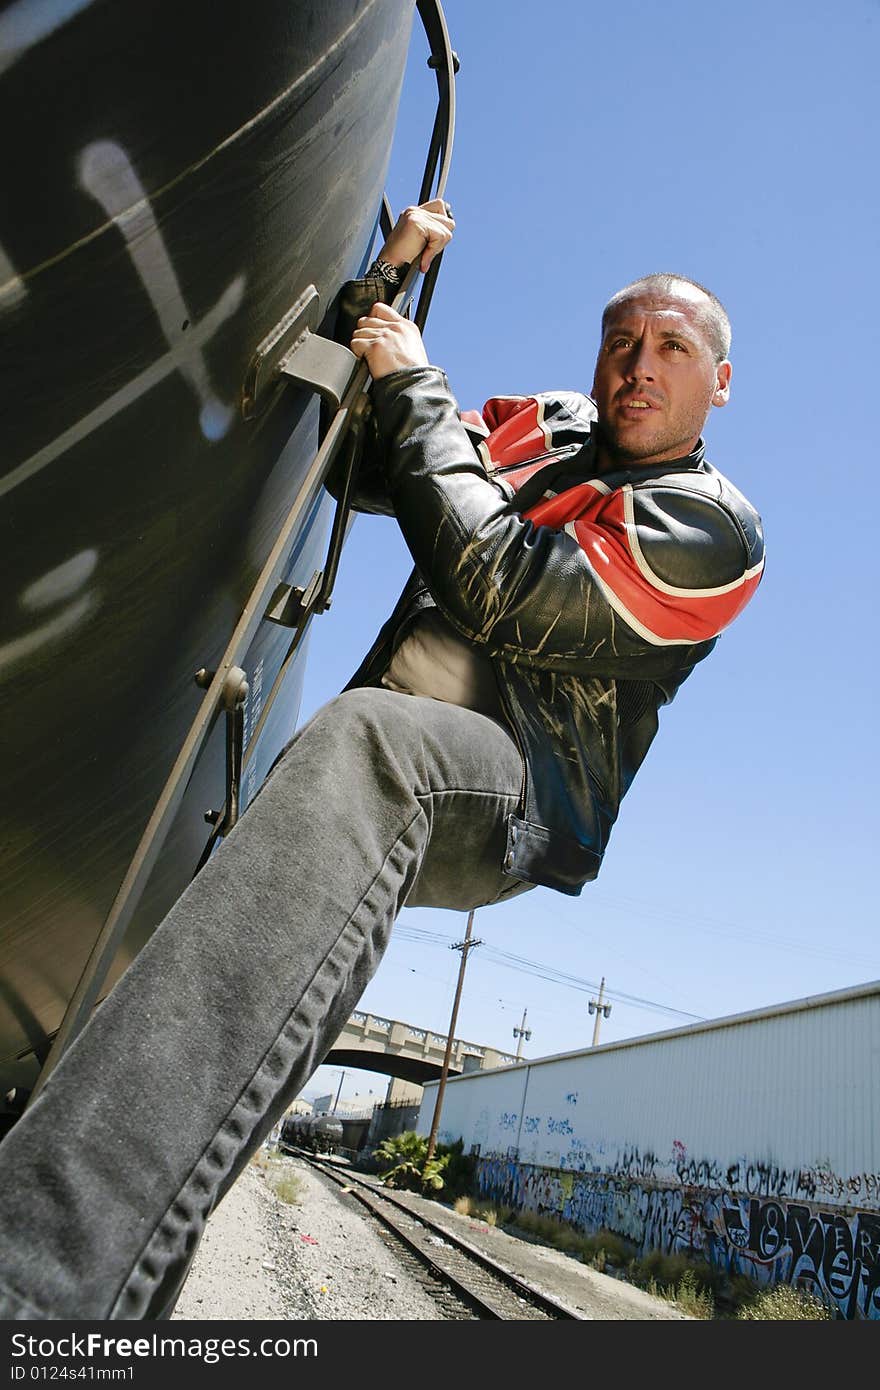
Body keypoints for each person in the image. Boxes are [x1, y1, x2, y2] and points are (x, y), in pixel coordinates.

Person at [0, 200, 763, 1320]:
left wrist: (415, 387)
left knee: (373, 743)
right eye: (621, 342)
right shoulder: (539, 426)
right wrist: (386, 283)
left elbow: (500, 582)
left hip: (511, 794)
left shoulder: (712, 530)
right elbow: (373, 452)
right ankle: (126, 1301)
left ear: (719, 384)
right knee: (265, 950)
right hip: (387, 758)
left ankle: (34, 1290)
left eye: (672, 349)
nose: (638, 367)